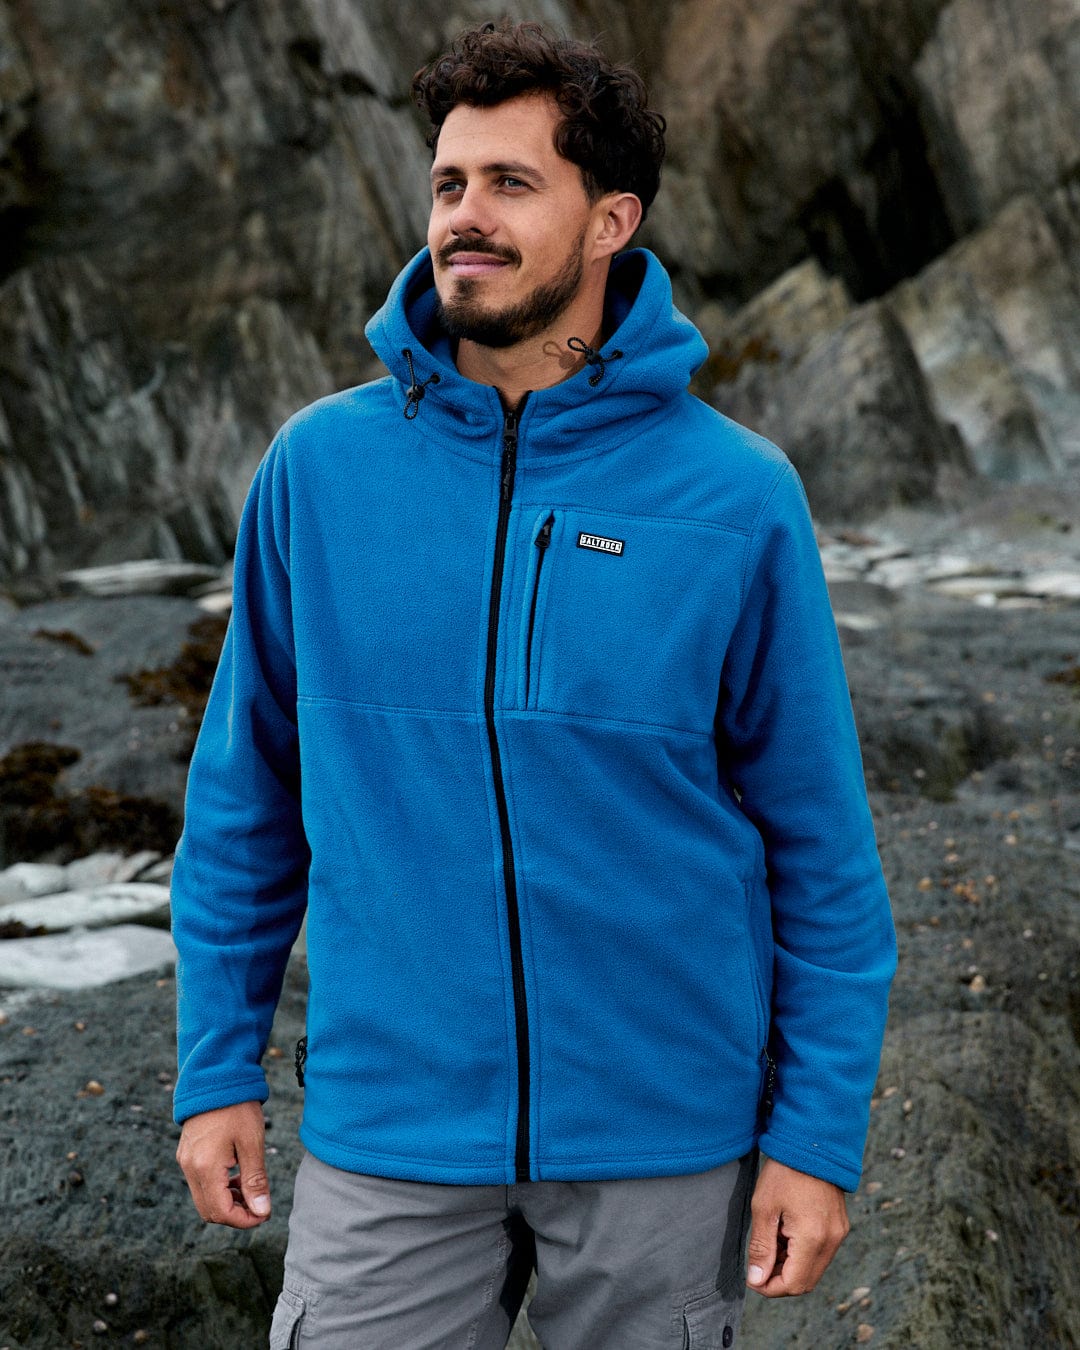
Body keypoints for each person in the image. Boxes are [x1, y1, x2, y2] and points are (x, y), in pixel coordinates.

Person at [172, 19, 896, 1349]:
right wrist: (214, 1065)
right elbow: (242, 802)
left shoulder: (735, 497)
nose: (467, 217)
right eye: (450, 183)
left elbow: (823, 852)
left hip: (659, 1139)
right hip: (390, 1128)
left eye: (512, 183)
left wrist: (817, 1134)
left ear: (610, 218)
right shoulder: (317, 473)